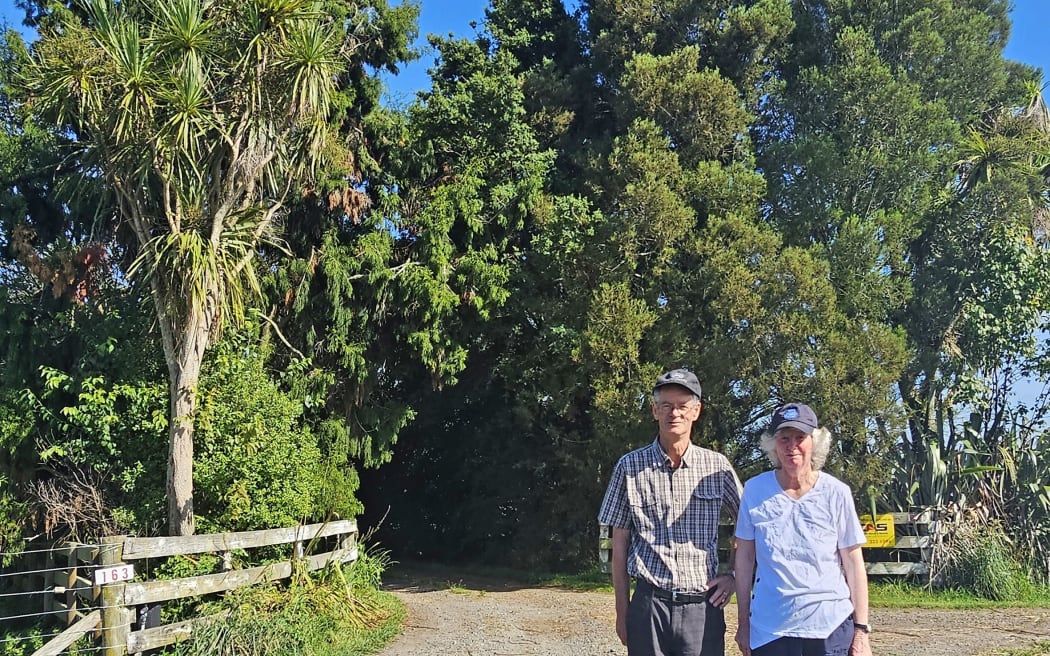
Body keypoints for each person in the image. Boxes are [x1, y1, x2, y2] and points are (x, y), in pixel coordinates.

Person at [598, 368, 743, 656]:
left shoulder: (717, 467)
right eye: (666, 405)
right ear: (655, 410)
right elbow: (619, 543)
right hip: (649, 607)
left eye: (682, 406)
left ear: (696, 411)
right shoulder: (629, 467)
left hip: (702, 608)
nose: (674, 413)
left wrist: (734, 575)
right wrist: (622, 610)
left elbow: (748, 524)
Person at [733, 403, 872, 656]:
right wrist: (743, 623)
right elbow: (744, 559)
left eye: (800, 437)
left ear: (815, 442)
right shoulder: (754, 490)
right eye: (784, 438)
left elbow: (853, 563)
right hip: (770, 630)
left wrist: (861, 631)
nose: (792, 446)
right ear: (773, 445)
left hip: (829, 627)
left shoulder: (836, 492)